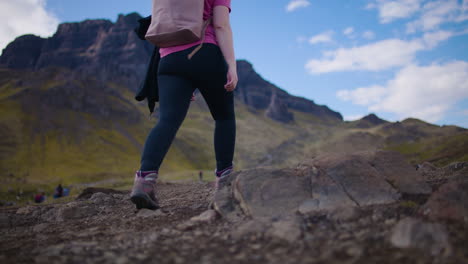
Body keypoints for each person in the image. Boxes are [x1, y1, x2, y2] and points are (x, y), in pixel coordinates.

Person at [130, 0, 237, 210]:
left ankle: (144, 183)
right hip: (204, 51)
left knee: (167, 121)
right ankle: (224, 185)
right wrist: (232, 65)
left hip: (168, 60)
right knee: (224, 117)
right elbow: (221, 25)